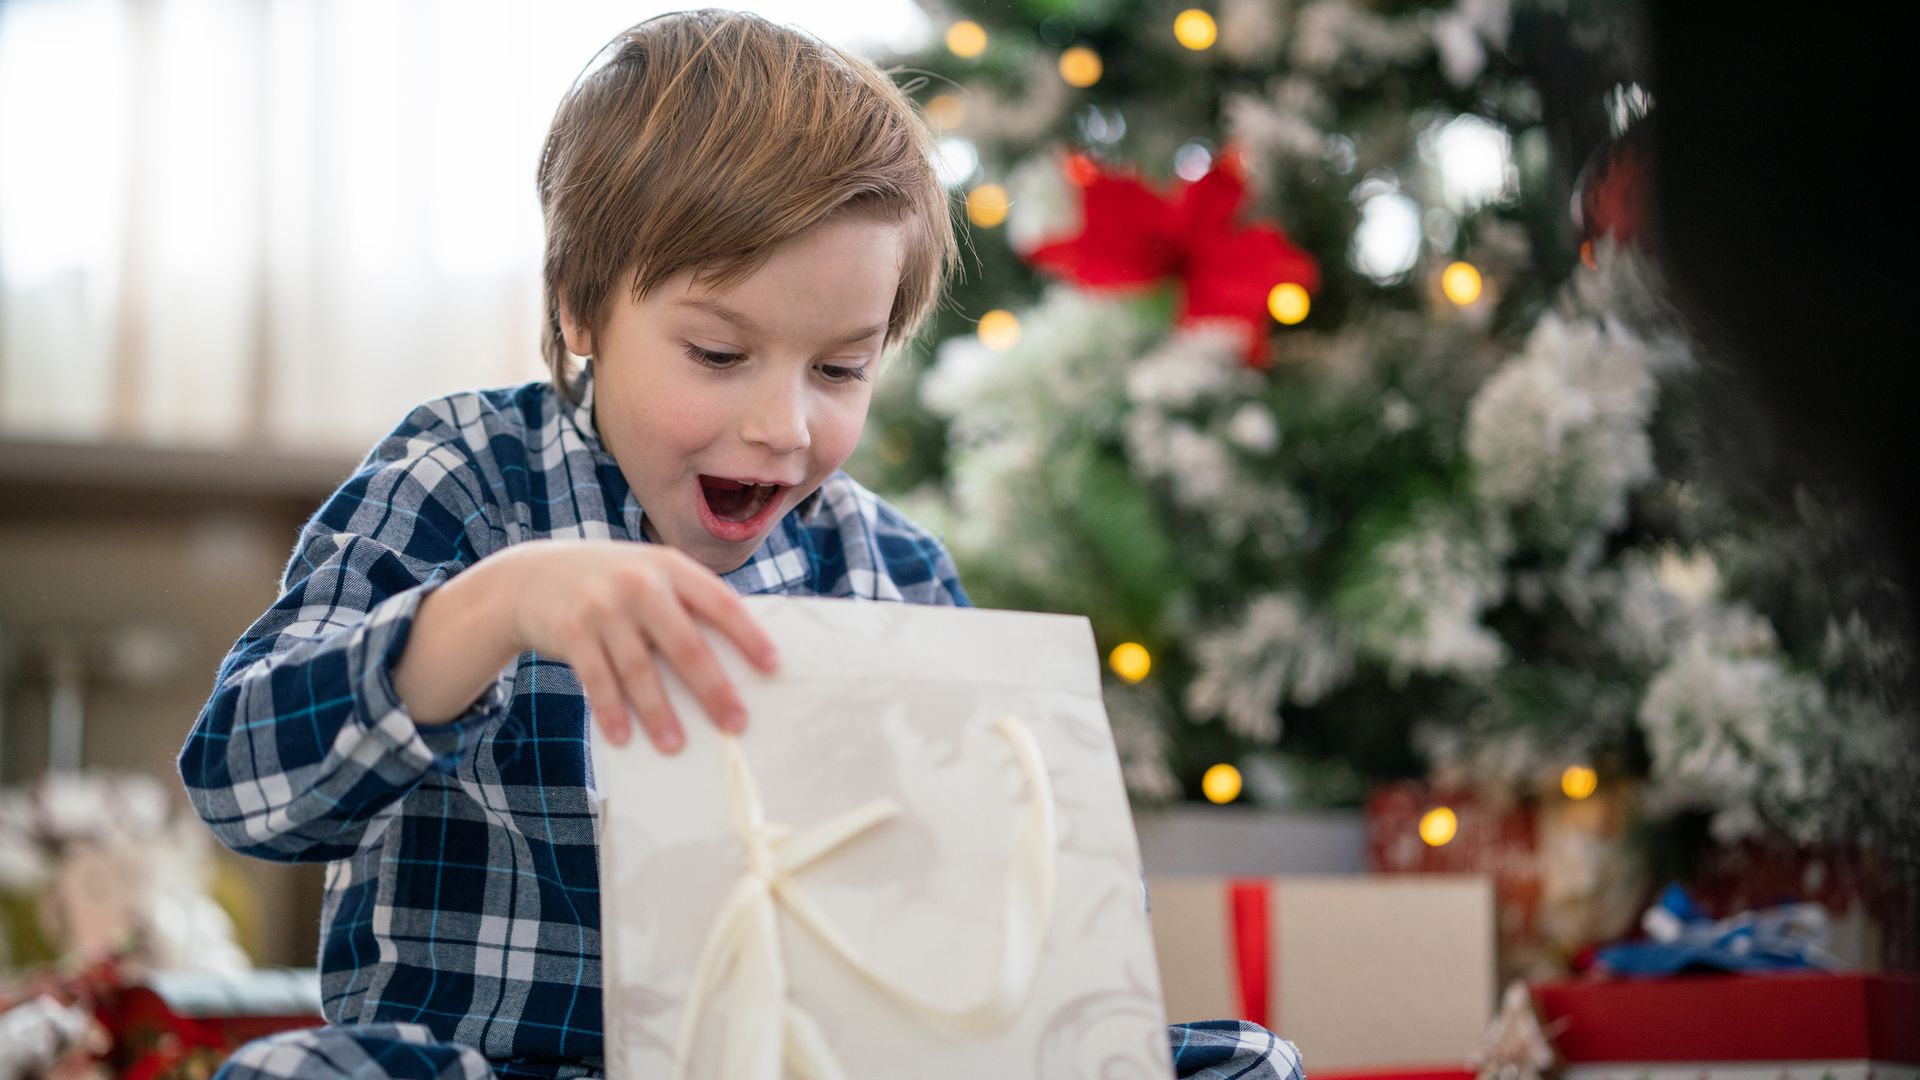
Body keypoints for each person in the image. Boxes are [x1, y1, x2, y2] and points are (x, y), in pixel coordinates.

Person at [178, 11, 1303, 1080]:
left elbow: (1023, 914)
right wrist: (496, 608)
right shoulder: (461, 479)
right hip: (496, 1058)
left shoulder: (892, 574)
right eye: (719, 353)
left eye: (841, 369)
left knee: (1252, 1060)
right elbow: (243, 790)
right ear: (580, 308)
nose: (785, 427)